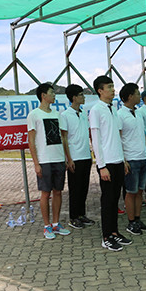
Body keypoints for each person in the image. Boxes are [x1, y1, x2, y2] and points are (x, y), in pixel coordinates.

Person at [89, 75, 132, 251]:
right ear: (100, 91)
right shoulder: (96, 110)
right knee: (107, 201)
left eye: (113, 86)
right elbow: (96, 140)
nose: (113, 90)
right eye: (109, 87)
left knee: (115, 200)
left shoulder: (113, 109)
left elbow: (117, 138)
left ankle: (114, 232)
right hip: (106, 163)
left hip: (117, 161)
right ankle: (106, 236)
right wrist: (102, 166)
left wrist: (123, 160)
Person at [27, 83, 71, 240]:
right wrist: (36, 163)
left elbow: (63, 138)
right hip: (44, 160)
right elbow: (31, 141)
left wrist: (67, 158)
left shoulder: (58, 114)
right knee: (45, 193)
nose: (54, 95)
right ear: (43, 95)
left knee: (58, 192)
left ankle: (56, 223)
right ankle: (47, 226)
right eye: (52, 93)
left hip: (59, 159)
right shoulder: (34, 115)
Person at [118, 83, 146, 235]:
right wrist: (124, 160)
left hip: (143, 157)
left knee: (140, 192)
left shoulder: (138, 113)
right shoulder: (120, 114)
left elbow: (142, 134)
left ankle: (138, 219)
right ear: (130, 96)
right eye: (138, 93)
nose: (140, 96)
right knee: (131, 192)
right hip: (131, 159)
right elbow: (119, 138)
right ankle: (131, 222)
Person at [60, 84, 95, 230]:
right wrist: (69, 159)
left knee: (84, 188)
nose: (83, 97)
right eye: (81, 94)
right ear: (74, 97)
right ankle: (73, 217)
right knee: (75, 189)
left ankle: (81, 214)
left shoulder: (83, 113)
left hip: (86, 156)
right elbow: (64, 138)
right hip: (74, 158)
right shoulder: (65, 115)